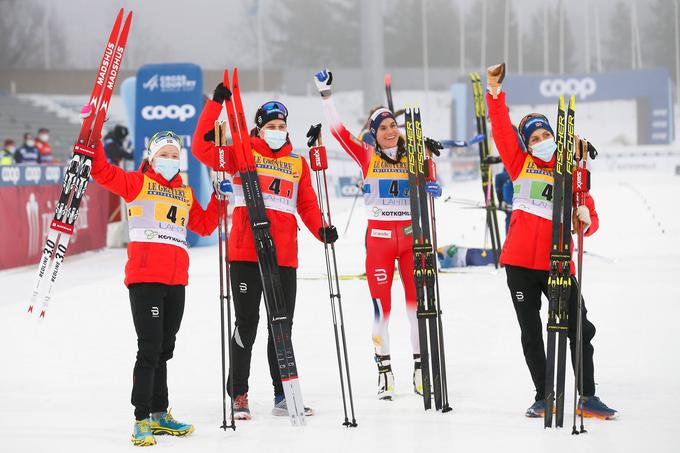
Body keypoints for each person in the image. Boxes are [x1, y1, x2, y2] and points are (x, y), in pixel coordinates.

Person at [193, 82, 337, 420]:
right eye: (270, 126)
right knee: (247, 324)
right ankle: (238, 394)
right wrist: (215, 105)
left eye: (281, 126)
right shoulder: (242, 152)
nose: (276, 131)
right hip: (246, 252)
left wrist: (322, 230)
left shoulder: (297, 162)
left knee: (281, 326)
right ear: (259, 128)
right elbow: (202, 148)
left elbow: (307, 204)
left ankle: (283, 393)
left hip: (284, 255)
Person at [486, 62, 617, 420]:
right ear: (525, 144)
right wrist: (495, 92)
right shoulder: (519, 163)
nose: (540, 143)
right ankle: (545, 395)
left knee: (580, 327)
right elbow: (499, 128)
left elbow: (589, 218)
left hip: (558, 263)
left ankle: (587, 397)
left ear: (554, 136)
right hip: (519, 265)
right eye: (533, 139)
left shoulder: (571, 169)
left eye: (545, 135)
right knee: (532, 332)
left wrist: (586, 220)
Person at [314, 69, 442, 401]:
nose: (390, 131)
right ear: (373, 134)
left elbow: (433, 183)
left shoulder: (414, 157)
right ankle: (384, 370)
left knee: (416, 309)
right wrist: (326, 96)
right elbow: (338, 131)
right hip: (380, 242)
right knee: (380, 310)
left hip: (412, 241)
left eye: (392, 126)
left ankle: (419, 369)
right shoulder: (367, 156)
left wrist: (433, 184)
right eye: (382, 127)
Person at [89, 129, 219, 446]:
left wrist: (219, 195)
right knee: (149, 348)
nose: (171, 160)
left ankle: (160, 415)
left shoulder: (185, 193)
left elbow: (204, 225)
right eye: (164, 155)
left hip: (176, 281)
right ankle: (141, 419)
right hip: (146, 278)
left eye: (175, 155)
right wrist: (94, 141)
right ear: (151, 157)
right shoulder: (137, 183)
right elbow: (102, 172)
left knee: (164, 349)